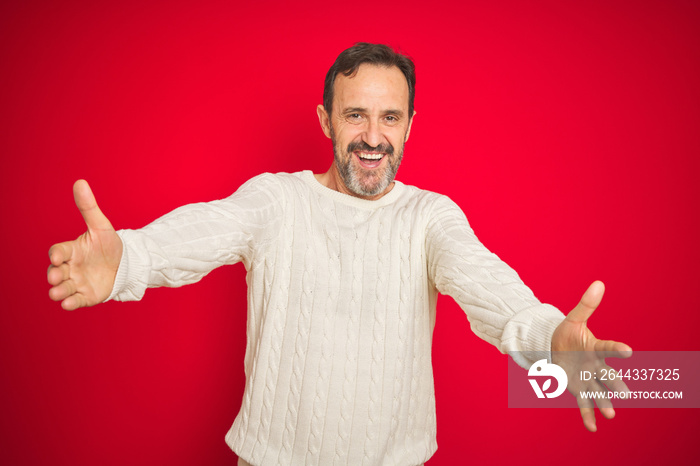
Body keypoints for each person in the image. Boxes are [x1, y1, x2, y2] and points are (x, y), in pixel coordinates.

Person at [47, 43, 632, 466]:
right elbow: (205, 230)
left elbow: (484, 283)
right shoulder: (276, 200)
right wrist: (128, 259)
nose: (373, 136)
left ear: (409, 127)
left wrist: (548, 338)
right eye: (356, 115)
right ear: (327, 119)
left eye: (389, 117)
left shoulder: (429, 216)